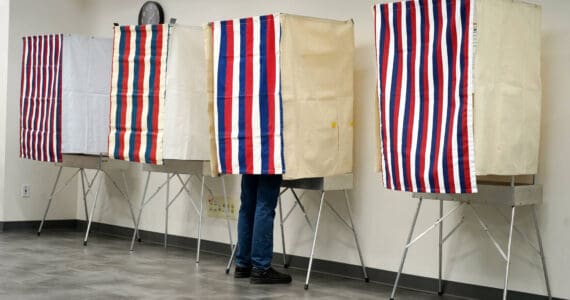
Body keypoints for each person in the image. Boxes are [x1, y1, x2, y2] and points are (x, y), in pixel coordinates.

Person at [234, 174, 292, 284]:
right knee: (265, 205)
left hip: (248, 157)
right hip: (267, 157)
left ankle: (243, 265)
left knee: (247, 206)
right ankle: (261, 268)